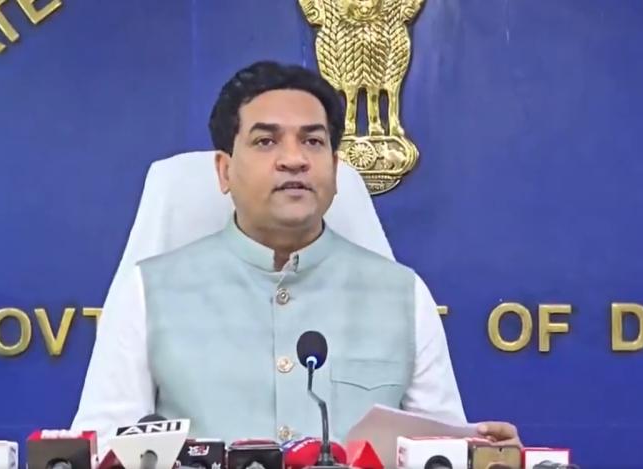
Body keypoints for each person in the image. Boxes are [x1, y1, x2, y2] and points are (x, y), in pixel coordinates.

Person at [71, 61, 520, 453]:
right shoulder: (148, 293)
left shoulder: (403, 295)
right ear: (224, 171)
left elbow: (440, 452)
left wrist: (487, 457)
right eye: (266, 141)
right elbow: (101, 450)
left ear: (335, 170)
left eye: (313, 142)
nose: (294, 159)